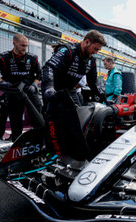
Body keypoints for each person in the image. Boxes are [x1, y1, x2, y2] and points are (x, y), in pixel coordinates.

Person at [41, 30, 108, 160]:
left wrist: (105, 99)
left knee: (75, 121)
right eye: (95, 48)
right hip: (54, 89)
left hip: (70, 90)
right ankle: (50, 153)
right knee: (54, 122)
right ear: (87, 42)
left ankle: (71, 154)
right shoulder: (68, 50)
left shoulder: (91, 61)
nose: (96, 52)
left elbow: (93, 83)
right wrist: (49, 87)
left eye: (98, 50)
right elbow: (48, 68)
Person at [0, 33, 42, 141]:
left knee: (37, 112)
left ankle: (39, 137)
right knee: (16, 117)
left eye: (26, 46)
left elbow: (39, 74)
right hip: (13, 90)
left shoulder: (32, 58)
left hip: (29, 89)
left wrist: (34, 84)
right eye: (22, 45)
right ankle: (16, 138)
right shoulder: (3, 57)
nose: (25, 48)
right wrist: (1, 82)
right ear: (14, 43)